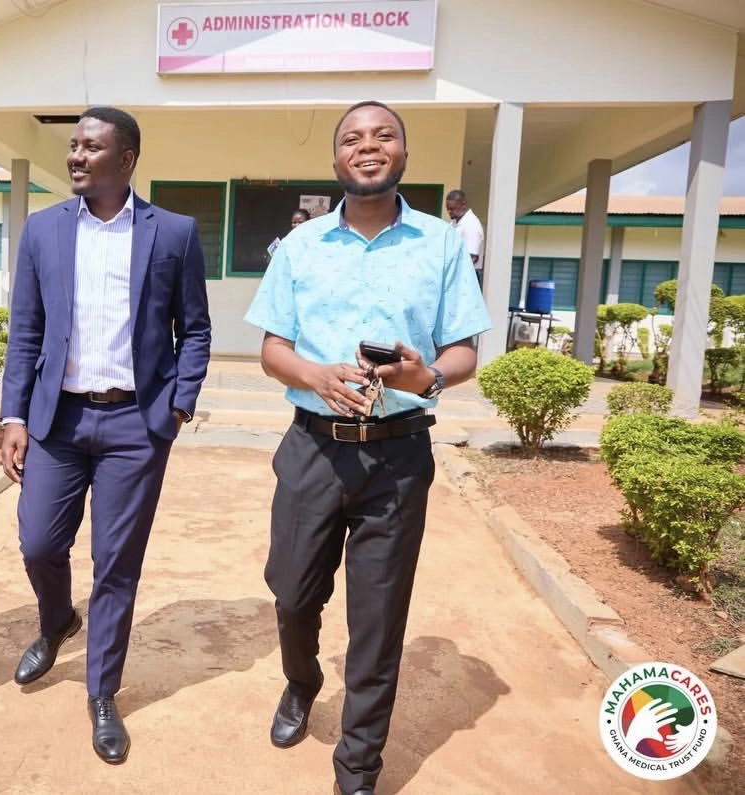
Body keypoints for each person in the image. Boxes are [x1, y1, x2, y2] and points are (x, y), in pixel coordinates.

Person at [244, 101, 491, 795]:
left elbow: (464, 350)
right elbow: (271, 347)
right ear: (336, 160)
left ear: (404, 154)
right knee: (293, 594)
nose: (369, 146)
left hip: (398, 457)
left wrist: (426, 377)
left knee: (378, 622)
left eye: (385, 135)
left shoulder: (442, 244)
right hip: (313, 450)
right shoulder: (300, 246)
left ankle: (357, 768)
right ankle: (301, 681)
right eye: (353, 138)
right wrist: (315, 375)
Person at [0, 105, 212, 765]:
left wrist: (178, 407)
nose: (76, 156)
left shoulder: (173, 232)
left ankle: (102, 692)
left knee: (116, 563)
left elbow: (195, 328)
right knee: (39, 542)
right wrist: (13, 416)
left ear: (126, 158)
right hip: (57, 420)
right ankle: (56, 620)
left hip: (135, 424)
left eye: (91, 147)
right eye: (73, 145)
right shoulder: (43, 230)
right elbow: (25, 330)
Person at [446, 188, 485, 286]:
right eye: (448, 209)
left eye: (452, 208)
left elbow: (471, 257)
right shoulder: (455, 222)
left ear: (463, 205)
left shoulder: (470, 224)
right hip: (457, 275)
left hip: (466, 276)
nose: (449, 211)